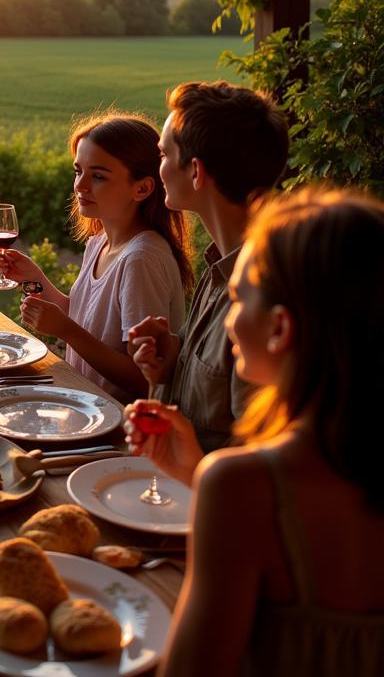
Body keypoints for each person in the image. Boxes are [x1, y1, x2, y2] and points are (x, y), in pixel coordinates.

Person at [144, 188, 384, 677]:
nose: (229, 321)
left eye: (236, 298)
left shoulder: (241, 486)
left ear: (279, 329)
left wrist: (209, 482)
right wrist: (193, 472)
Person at [128, 81, 289, 451]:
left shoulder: (264, 297)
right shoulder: (221, 265)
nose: (160, 167)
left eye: (164, 155)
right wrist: (169, 366)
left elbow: (258, 462)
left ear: (196, 172)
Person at [0, 113, 193, 402]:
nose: (80, 185)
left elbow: (144, 379)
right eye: (78, 171)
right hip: (84, 407)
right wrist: (37, 279)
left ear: (142, 188)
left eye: (98, 176)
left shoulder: (141, 260)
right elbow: (84, 318)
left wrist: (65, 331)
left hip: (117, 428)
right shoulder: (100, 242)